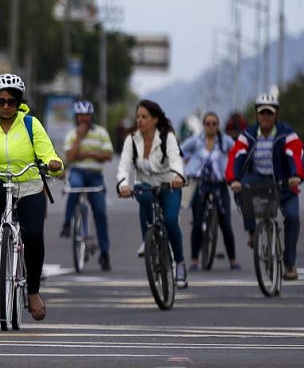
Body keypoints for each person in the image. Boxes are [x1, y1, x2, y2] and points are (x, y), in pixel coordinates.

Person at [0, 73, 63, 321]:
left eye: (11, 101)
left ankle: (34, 291)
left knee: (34, 234)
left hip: (29, 183)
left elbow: (48, 153)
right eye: (1, 101)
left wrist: (53, 162)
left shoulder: (30, 124)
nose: (6, 106)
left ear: (19, 102)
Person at [226, 93, 304, 281]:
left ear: (276, 114)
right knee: (242, 190)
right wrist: (234, 179)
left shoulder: (287, 133)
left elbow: (295, 153)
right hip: (258, 181)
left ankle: (290, 264)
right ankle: (252, 229)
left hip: (284, 183)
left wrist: (296, 175)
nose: (266, 117)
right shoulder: (249, 135)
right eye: (262, 113)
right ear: (257, 115)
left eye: (270, 113)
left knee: (293, 217)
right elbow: (236, 156)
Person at [116, 99, 188, 289]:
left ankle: (179, 263)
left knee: (171, 220)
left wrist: (178, 177)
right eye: (138, 117)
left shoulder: (167, 137)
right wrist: (123, 185)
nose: (140, 120)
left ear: (155, 119)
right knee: (144, 197)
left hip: (169, 184)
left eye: (144, 117)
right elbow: (124, 166)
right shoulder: (132, 140)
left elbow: (176, 159)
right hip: (145, 185)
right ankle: (147, 239)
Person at [180, 112, 240, 271]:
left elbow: (238, 152)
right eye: (208, 123)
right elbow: (180, 152)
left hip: (219, 184)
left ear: (218, 125)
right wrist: (184, 164)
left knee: (225, 222)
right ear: (203, 125)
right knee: (198, 222)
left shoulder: (224, 141)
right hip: (200, 184)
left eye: (214, 123)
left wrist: (235, 171)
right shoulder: (196, 140)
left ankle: (233, 260)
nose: (211, 126)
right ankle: (194, 260)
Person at [60, 100, 113, 271]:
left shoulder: (101, 133)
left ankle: (105, 252)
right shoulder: (72, 134)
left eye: (87, 116)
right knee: (74, 187)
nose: (84, 119)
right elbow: (70, 157)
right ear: (77, 117)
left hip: (95, 175)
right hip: (78, 171)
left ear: (91, 117)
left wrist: (88, 153)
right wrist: (80, 138)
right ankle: (68, 222)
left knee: (100, 212)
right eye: (81, 116)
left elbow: (108, 155)